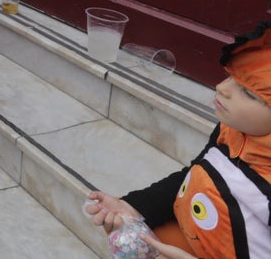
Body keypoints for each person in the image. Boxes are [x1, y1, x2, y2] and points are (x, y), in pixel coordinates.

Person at [86, 22, 271, 259]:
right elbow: (195, 173)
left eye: (248, 92)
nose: (221, 88)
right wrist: (135, 206)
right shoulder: (230, 130)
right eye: (229, 76)